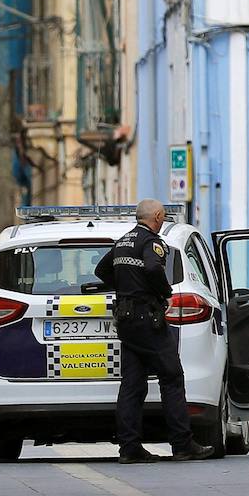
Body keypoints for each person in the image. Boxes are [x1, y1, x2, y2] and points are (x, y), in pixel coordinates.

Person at [95, 199, 213, 465]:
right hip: (148, 319)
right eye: (162, 216)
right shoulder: (152, 242)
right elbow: (152, 267)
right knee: (172, 377)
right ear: (157, 216)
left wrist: (127, 286)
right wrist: (164, 292)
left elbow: (101, 270)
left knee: (132, 385)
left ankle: (129, 448)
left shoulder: (123, 241)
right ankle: (182, 445)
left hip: (126, 320)